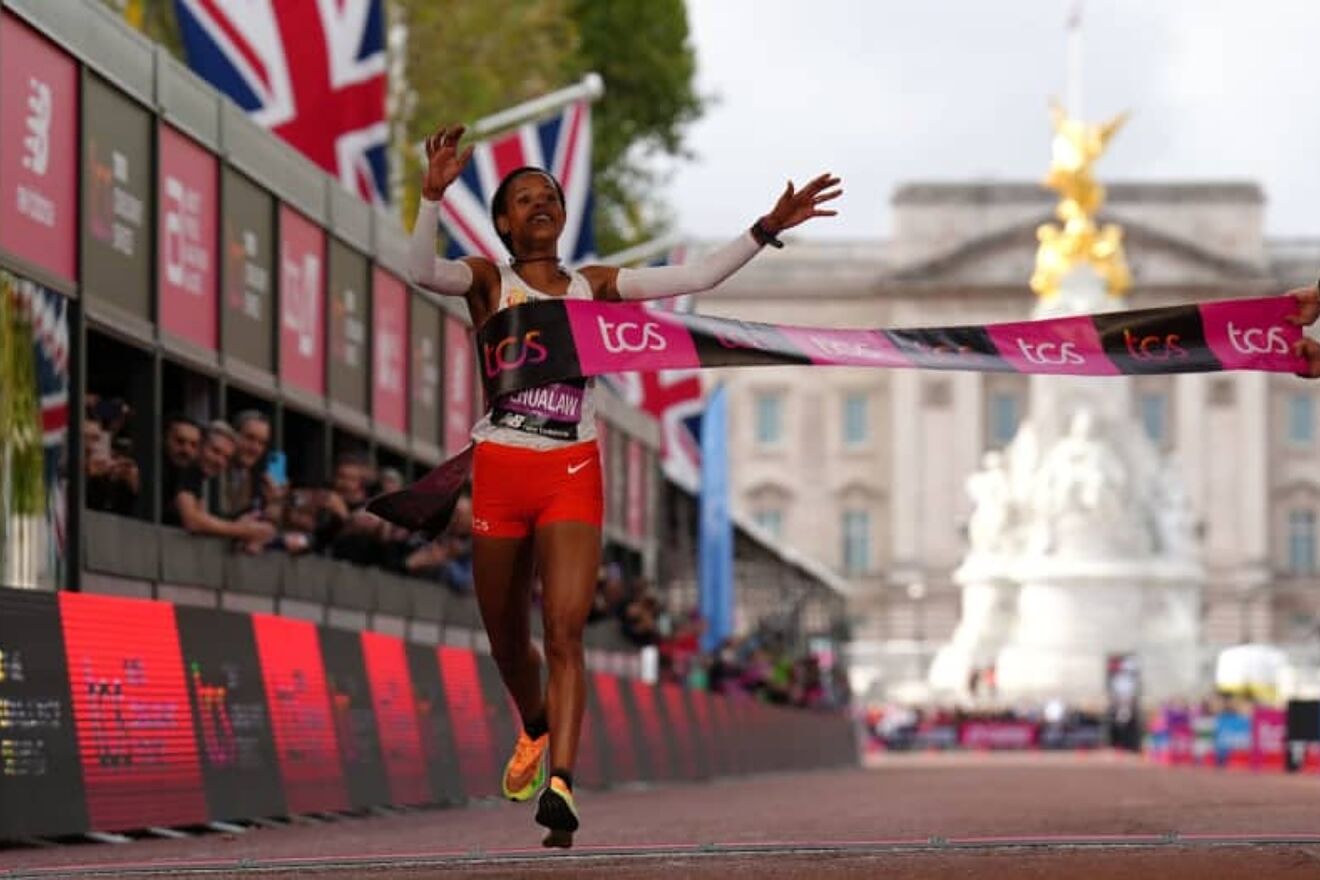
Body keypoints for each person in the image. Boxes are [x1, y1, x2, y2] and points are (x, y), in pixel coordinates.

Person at [407, 123, 840, 846]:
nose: (542, 203)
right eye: (525, 198)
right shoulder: (488, 280)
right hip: (502, 471)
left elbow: (696, 279)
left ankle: (564, 787)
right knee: (509, 640)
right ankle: (536, 724)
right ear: (505, 221)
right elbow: (422, 270)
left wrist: (766, 228)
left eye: (550, 196)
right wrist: (429, 197)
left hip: (571, 468)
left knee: (565, 628)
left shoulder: (595, 286)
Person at [168, 419, 275, 550]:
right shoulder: (189, 471)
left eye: (226, 457)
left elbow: (205, 520)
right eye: (215, 451)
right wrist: (244, 530)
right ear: (200, 446)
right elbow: (192, 521)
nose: (219, 461)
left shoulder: (202, 478)